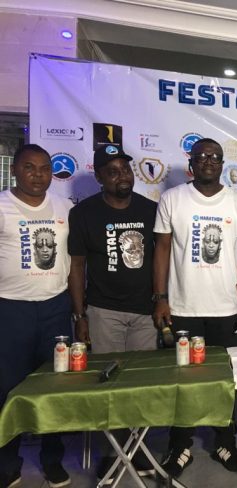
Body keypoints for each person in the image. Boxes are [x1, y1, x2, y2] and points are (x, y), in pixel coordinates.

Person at [152, 138, 237, 477]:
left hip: (225, 309)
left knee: (224, 382)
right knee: (183, 381)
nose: (209, 161)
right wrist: (160, 297)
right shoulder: (172, 199)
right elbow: (162, 250)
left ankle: (225, 442)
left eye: (215, 157)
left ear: (222, 164)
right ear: (191, 163)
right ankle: (180, 445)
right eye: (202, 156)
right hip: (183, 307)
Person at [68, 145, 158, 479]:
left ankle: (138, 449)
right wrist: (80, 316)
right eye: (113, 171)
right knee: (109, 385)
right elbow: (77, 266)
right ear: (100, 177)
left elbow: (162, 259)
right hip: (103, 311)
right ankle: (114, 451)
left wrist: (163, 300)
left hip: (145, 311)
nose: (123, 176)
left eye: (126, 169)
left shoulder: (151, 210)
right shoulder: (84, 213)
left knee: (141, 385)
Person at [0, 144, 73, 488]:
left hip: (55, 308)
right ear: (14, 170)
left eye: (45, 168)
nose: (38, 175)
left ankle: (52, 459)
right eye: (30, 168)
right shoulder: (2, 206)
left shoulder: (64, 207)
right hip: (10, 309)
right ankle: (7, 462)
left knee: (54, 386)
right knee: (8, 389)